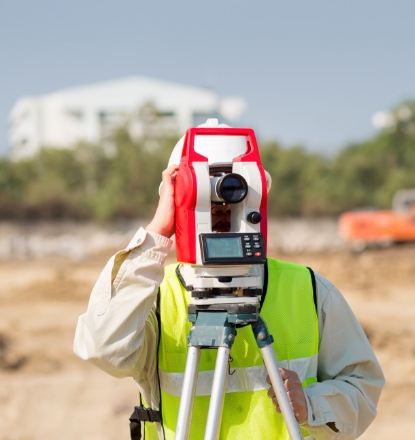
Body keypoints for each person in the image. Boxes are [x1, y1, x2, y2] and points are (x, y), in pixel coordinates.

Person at [73, 131, 385, 440]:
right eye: (204, 196)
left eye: (235, 191)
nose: (221, 206)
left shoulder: (309, 289)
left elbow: (362, 385)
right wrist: (156, 232)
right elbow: (105, 348)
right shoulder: (154, 296)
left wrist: (312, 405)